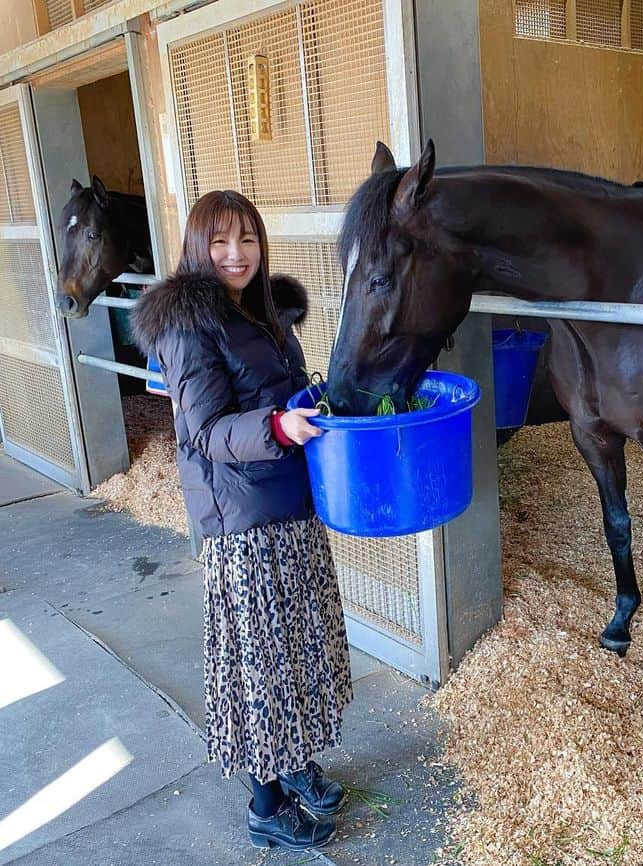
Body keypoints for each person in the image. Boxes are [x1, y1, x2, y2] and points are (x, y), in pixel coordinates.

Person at [132, 190, 352, 851]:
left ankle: (294, 763)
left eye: (248, 240)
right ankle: (265, 802)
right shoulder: (188, 325)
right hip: (243, 518)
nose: (236, 254)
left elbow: (270, 394)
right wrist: (279, 426)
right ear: (199, 247)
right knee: (261, 665)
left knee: (296, 649)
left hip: (287, 498)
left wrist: (313, 402)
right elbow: (204, 430)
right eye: (221, 242)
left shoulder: (259, 313)